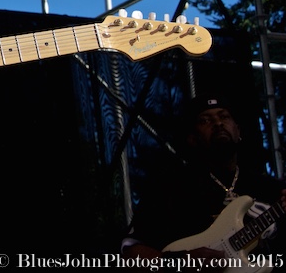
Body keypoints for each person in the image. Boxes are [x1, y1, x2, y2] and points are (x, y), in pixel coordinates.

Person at [121, 94, 286, 269]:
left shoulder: (270, 189)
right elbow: (131, 252)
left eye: (224, 116)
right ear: (192, 139)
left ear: (238, 132)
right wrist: (179, 263)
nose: (218, 123)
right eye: (205, 120)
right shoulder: (170, 189)